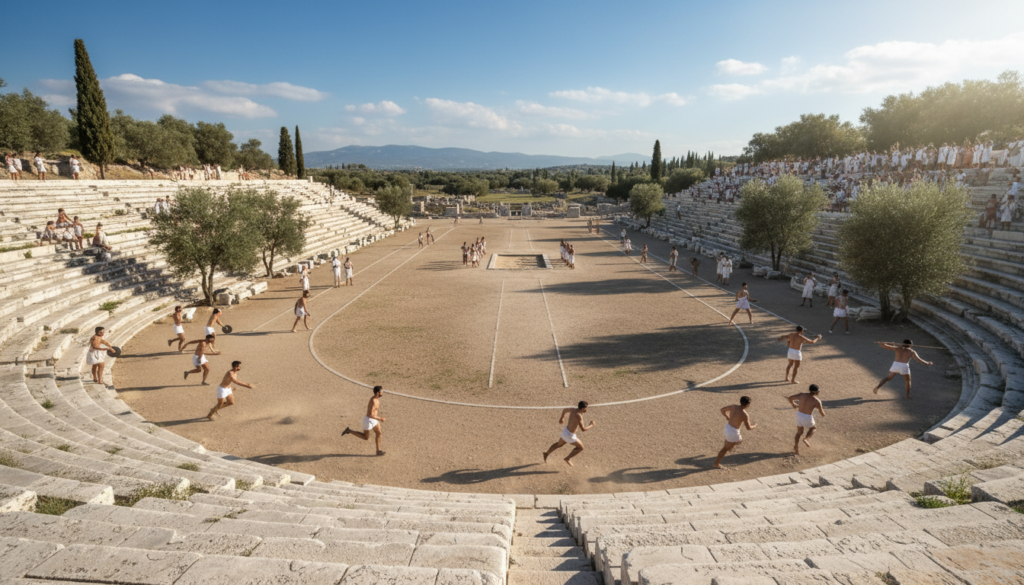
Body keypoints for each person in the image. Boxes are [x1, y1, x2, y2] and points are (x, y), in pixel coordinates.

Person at [542, 400, 595, 467]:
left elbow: (564, 410)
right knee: (581, 448)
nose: (586, 409)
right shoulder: (579, 416)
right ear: (583, 408)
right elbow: (583, 429)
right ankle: (568, 458)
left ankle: (546, 453)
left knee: (558, 444)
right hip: (570, 435)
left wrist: (561, 418)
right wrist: (591, 424)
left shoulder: (573, 410)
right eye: (585, 408)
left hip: (565, 431)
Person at [341, 385, 387, 456]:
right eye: (381, 391)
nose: (382, 392)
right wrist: (381, 418)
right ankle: (349, 430)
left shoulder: (376, 399)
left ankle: (378, 451)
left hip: (374, 420)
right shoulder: (374, 401)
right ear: (378, 393)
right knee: (366, 437)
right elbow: (371, 415)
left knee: (379, 433)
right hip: (368, 420)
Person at [712, 396, 756, 469]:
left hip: (727, 427)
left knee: (732, 441)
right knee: (729, 446)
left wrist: (727, 416)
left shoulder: (733, 406)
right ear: (748, 404)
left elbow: (722, 410)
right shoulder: (744, 415)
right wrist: (755, 426)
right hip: (733, 432)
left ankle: (729, 445)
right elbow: (748, 428)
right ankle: (716, 464)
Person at [787, 384, 824, 455]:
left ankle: (796, 447)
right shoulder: (817, 401)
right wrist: (822, 411)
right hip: (807, 416)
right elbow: (822, 414)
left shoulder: (802, 395)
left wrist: (793, 404)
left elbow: (790, 398)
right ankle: (806, 439)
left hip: (798, 415)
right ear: (817, 392)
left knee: (799, 432)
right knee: (813, 428)